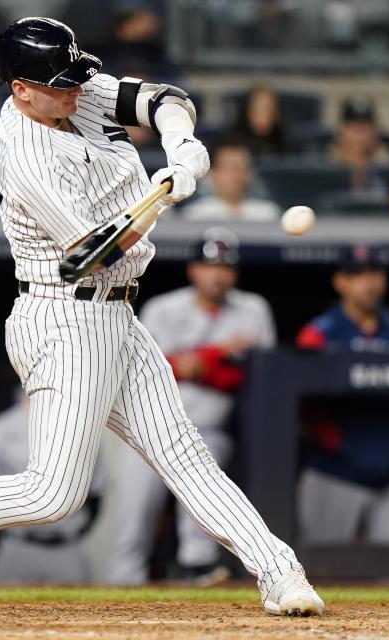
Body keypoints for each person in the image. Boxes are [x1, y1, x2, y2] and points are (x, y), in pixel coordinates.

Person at [0, 17, 323, 618]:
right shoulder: (28, 155)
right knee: (53, 492)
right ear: (20, 90)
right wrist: (162, 198)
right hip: (61, 317)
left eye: (74, 76)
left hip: (118, 316)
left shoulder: (74, 93)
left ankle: (280, 572)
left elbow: (163, 98)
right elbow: (89, 256)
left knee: (184, 453)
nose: (75, 90)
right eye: (58, 83)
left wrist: (180, 142)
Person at [107, 229, 276, 586]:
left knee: (202, 519)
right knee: (131, 523)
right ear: (193, 270)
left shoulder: (254, 309)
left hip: (206, 430)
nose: (217, 274)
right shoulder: (163, 308)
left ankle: (196, 579)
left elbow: (259, 377)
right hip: (147, 430)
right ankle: (119, 597)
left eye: (226, 267)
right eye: (208, 265)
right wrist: (219, 355)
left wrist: (199, 365)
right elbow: (155, 369)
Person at [295, 244, 389, 544]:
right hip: (333, 471)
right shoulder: (318, 334)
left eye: (374, 274)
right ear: (340, 282)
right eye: (357, 275)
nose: (368, 282)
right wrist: (338, 444)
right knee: (321, 573)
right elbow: (307, 407)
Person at [0, 392, 107, 583]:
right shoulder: (0, 429)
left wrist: (76, 531)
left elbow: (95, 494)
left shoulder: (83, 430)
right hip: (16, 543)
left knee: (80, 610)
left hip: (65, 544)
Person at [181, 141, 281, 222]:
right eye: (231, 168)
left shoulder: (268, 214)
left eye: (243, 168)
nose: (237, 175)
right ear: (213, 174)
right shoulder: (195, 216)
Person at [329, 94, 389, 194]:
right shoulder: (324, 166)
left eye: (365, 125)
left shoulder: (388, 170)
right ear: (341, 129)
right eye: (352, 125)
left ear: (376, 130)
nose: (359, 132)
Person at [230, 86, 296, 157]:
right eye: (261, 108)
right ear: (250, 112)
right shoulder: (234, 145)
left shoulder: (286, 141)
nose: (268, 114)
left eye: (271, 109)